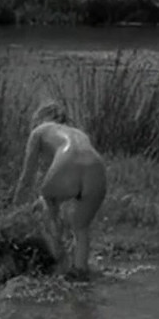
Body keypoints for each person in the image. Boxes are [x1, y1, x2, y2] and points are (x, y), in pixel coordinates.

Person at [11, 101, 107, 278]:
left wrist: (14, 212)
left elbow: (27, 177)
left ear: (40, 117)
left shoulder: (39, 131)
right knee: (81, 227)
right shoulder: (78, 133)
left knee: (47, 200)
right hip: (97, 167)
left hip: (67, 157)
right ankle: (80, 271)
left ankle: (58, 259)